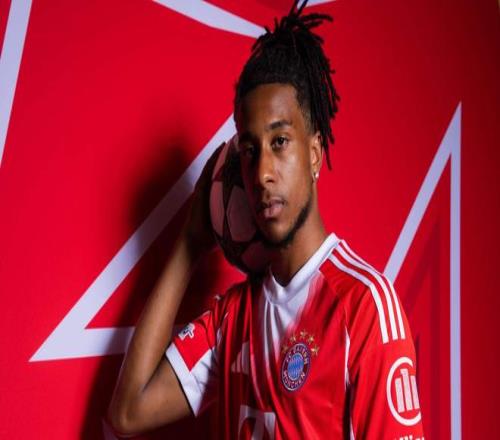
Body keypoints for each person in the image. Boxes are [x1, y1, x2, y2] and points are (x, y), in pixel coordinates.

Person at [108, 1, 425, 438]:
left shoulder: (364, 308)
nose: (262, 174)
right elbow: (128, 411)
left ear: (314, 154)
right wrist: (189, 244)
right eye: (249, 150)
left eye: (280, 142)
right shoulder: (233, 317)